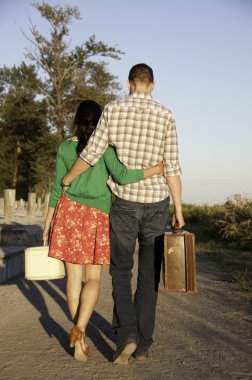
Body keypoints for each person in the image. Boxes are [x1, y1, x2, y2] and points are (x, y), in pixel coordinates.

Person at [62, 64, 185, 364]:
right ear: (152, 86)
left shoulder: (113, 109)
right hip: (157, 203)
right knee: (147, 277)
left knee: (120, 271)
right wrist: (178, 211)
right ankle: (142, 345)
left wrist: (68, 179)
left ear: (129, 84)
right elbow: (172, 167)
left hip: (124, 204)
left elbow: (91, 153)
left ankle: (126, 333)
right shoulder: (167, 115)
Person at [43, 99, 163, 362]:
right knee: (93, 279)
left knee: (72, 278)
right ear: (100, 122)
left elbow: (56, 187)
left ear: (77, 120)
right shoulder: (104, 149)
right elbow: (122, 175)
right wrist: (155, 169)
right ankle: (81, 327)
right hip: (96, 216)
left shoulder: (65, 147)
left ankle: (79, 339)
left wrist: (49, 220)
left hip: (68, 213)